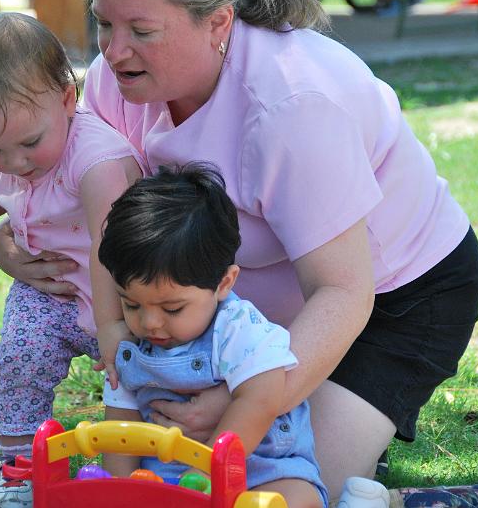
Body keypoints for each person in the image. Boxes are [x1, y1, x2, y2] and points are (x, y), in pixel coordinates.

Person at [0, 0, 478, 500]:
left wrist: (241, 399)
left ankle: (351, 413)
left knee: (264, 487)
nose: (113, 51)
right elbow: (86, 204)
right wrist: (9, 244)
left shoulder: (293, 106)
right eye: (105, 23)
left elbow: (344, 291)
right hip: (240, 314)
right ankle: (330, 410)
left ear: (218, 21)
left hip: (394, 298)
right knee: (167, 482)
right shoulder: (120, 77)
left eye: (141, 29)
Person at [0, 12, 145, 507]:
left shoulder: (97, 162)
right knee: (21, 358)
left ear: (68, 99)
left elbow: (111, 251)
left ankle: (131, 469)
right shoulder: (10, 146)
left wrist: (111, 326)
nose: (16, 162)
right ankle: (19, 466)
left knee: (137, 383)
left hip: (126, 298)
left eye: (29, 144)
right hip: (54, 292)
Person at [98, 162, 327, 508]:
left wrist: (209, 474)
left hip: (262, 471)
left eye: (172, 309)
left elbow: (261, 399)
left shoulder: (237, 328)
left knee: (296, 499)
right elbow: (121, 435)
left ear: (223, 283)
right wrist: (120, 491)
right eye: (130, 304)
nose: (150, 323)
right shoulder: (132, 349)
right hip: (165, 479)